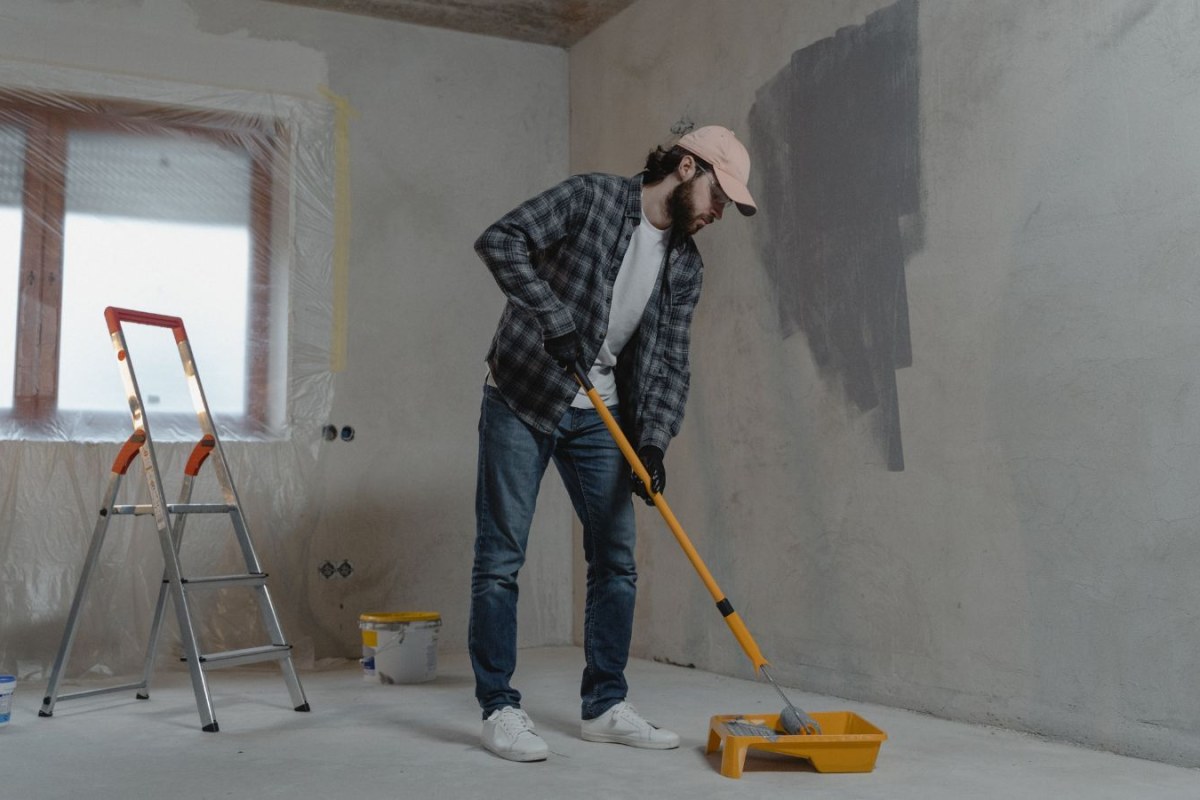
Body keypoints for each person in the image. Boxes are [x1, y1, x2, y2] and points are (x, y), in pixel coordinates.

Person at [469, 125, 757, 762]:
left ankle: (603, 706)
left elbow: (668, 364)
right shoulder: (592, 199)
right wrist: (553, 319)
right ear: (687, 167)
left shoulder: (686, 266)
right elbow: (501, 240)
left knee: (617, 561)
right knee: (500, 561)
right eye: (717, 194)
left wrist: (652, 442)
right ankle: (500, 709)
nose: (717, 213)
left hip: (601, 414)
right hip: (522, 394)